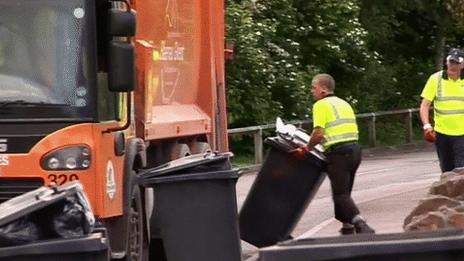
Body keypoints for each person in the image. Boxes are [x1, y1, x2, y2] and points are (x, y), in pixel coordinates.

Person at [296, 73, 375, 235]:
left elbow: (318, 133)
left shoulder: (320, 105)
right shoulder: (343, 103)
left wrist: (307, 148)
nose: (312, 91)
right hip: (354, 151)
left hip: (339, 153)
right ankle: (347, 227)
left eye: (314, 87)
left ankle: (361, 225)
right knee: (345, 193)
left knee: (340, 195)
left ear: (324, 90)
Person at [420, 48, 464, 173]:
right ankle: (449, 193)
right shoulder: (436, 79)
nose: (453, 66)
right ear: (446, 62)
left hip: (462, 134)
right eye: (451, 62)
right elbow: (425, 105)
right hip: (442, 133)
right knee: (447, 171)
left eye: (456, 63)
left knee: (461, 170)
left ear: (462, 65)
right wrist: (427, 126)